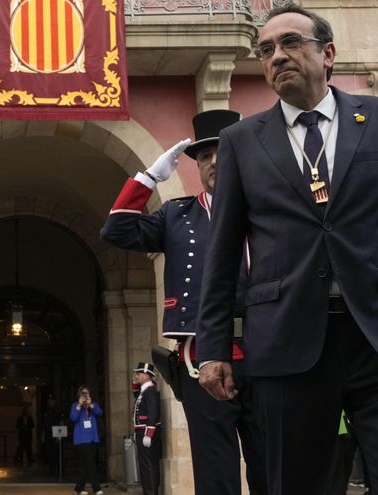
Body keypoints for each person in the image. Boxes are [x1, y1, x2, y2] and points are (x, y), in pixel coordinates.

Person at [196, 4, 378, 494]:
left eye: (290, 44)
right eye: (266, 50)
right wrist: (214, 348)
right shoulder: (241, 141)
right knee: (297, 483)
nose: (277, 56)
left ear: (328, 53)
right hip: (287, 341)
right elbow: (222, 255)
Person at [100, 109, 266, 494]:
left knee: (271, 462)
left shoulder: (268, 210)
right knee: (216, 471)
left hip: (266, 349)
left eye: (222, 152)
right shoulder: (178, 215)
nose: (213, 162)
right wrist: (149, 178)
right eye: (205, 156)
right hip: (202, 357)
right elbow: (117, 230)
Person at [132, 363, 161, 495]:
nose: (136, 375)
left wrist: (148, 434)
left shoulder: (150, 391)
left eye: (138, 373)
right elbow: (136, 396)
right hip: (141, 432)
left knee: (149, 466)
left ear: (146, 375)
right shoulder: (144, 391)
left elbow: (153, 413)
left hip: (147, 432)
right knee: (144, 466)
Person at [70, 385, 103, 495]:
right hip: (82, 440)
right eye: (83, 393)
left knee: (85, 466)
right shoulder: (75, 405)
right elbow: (73, 418)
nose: (85, 395)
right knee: (91, 464)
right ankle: (97, 488)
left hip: (93, 439)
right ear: (79, 395)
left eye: (87, 393)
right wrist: (79, 405)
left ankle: (78, 488)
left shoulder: (93, 405)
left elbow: (99, 413)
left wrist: (91, 404)